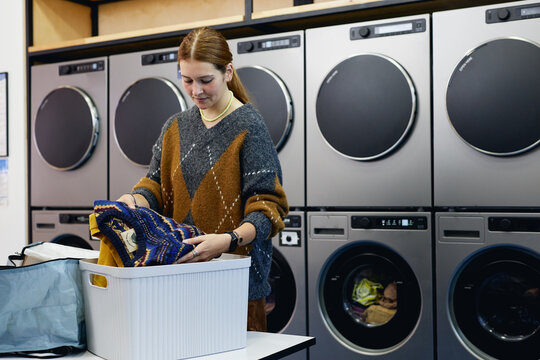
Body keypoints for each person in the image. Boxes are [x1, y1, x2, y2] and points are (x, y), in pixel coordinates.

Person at [116, 26, 289, 331]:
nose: (196, 90)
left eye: (205, 80)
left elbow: (269, 209)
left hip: (237, 285)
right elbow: (153, 184)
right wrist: (135, 200)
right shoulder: (176, 126)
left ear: (228, 72)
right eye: (187, 80)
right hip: (179, 275)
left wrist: (227, 241)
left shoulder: (250, 127)